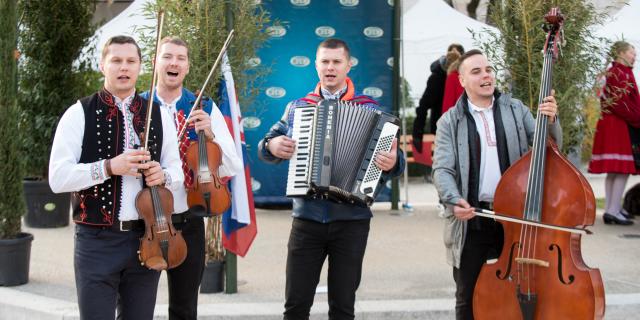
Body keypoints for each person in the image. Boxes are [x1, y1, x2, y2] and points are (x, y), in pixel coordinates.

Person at [258, 38, 405, 320]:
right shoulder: (298, 107)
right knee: (295, 306)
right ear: (316, 65)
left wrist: (393, 162)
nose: (330, 67)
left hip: (352, 222)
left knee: (343, 308)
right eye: (324, 61)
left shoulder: (370, 109)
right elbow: (267, 145)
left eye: (336, 62)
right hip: (307, 219)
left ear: (348, 65)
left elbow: (396, 166)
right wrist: (273, 147)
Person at [49, 35, 184, 320]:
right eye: (116, 61)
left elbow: (178, 171)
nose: (124, 68)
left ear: (140, 66)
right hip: (96, 241)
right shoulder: (79, 113)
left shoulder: (157, 115)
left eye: (131, 61)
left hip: (147, 236)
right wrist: (110, 167)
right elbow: (58, 177)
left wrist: (163, 175)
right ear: (102, 65)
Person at [432, 49, 561, 320]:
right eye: (476, 71)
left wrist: (550, 121)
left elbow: (548, 149)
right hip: (471, 219)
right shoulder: (449, 122)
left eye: (488, 69)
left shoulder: (516, 109)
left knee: (518, 291)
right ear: (462, 80)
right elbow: (442, 169)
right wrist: (453, 199)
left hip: (515, 219)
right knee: (467, 297)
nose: (486, 76)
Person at [141, 36, 242, 320]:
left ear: (187, 67)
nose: (174, 62)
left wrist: (210, 136)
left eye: (181, 58)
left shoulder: (204, 107)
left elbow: (231, 165)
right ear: (155, 63)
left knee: (185, 309)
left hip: (188, 221)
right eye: (168, 56)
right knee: (137, 306)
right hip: (144, 223)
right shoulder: (138, 107)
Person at [588, 41, 640, 225]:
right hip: (618, 125)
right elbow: (621, 103)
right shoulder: (620, 72)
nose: (635, 56)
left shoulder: (613, 71)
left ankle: (612, 209)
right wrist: (638, 119)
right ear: (621, 53)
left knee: (615, 170)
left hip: (612, 123)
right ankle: (612, 210)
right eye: (632, 53)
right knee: (621, 169)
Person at [412, 43, 465, 153]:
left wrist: (417, 134)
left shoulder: (464, 77)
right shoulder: (437, 78)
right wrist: (417, 134)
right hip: (443, 128)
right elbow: (424, 105)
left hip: (458, 127)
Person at [441, 50, 464, 114]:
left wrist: (445, 120)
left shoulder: (452, 76)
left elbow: (448, 102)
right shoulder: (465, 74)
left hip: (457, 117)